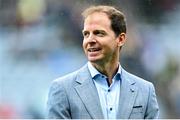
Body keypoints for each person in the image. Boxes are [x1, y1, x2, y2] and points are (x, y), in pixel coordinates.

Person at [47, 5, 159, 119]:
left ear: (120, 39)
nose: (90, 40)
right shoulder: (63, 89)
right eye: (86, 34)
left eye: (99, 33)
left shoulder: (146, 90)